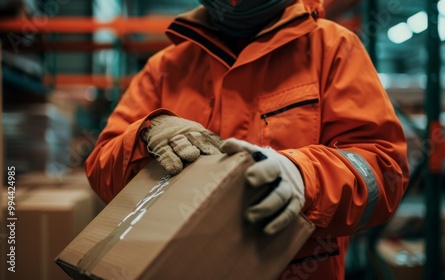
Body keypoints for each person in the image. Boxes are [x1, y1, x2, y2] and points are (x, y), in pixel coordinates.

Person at [85, 0, 409, 279]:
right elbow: (102, 168)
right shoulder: (166, 67)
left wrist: (303, 177)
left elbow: (385, 171)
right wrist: (148, 132)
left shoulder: (332, 49)